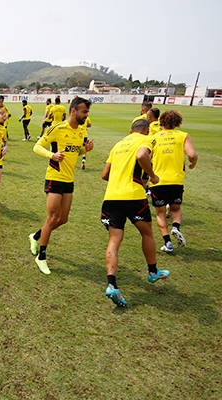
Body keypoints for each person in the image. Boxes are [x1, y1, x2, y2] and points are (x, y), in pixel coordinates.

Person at [100, 119, 168, 307]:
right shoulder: (148, 139)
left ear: (130, 131)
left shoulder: (118, 144)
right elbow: (141, 156)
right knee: (147, 233)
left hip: (111, 197)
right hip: (133, 196)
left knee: (114, 241)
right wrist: (153, 176)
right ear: (147, 130)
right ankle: (153, 272)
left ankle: (112, 285)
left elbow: (104, 174)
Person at [28, 97, 94, 274]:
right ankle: (41, 257)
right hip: (54, 177)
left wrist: (85, 149)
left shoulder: (81, 131)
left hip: (69, 180)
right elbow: (37, 146)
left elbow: (76, 151)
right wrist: (52, 155)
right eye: (84, 112)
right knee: (52, 217)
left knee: (63, 219)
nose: (86, 116)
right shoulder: (57, 128)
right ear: (73, 111)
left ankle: (35, 236)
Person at [149, 110, 198, 253]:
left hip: (158, 180)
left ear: (161, 121)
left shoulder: (155, 137)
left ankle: (168, 243)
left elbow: (146, 157)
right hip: (176, 179)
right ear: (178, 122)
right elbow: (192, 154)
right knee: (175, 208)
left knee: (160, 213)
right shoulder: (183, 136)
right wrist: (192, 163)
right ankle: (175, 227)